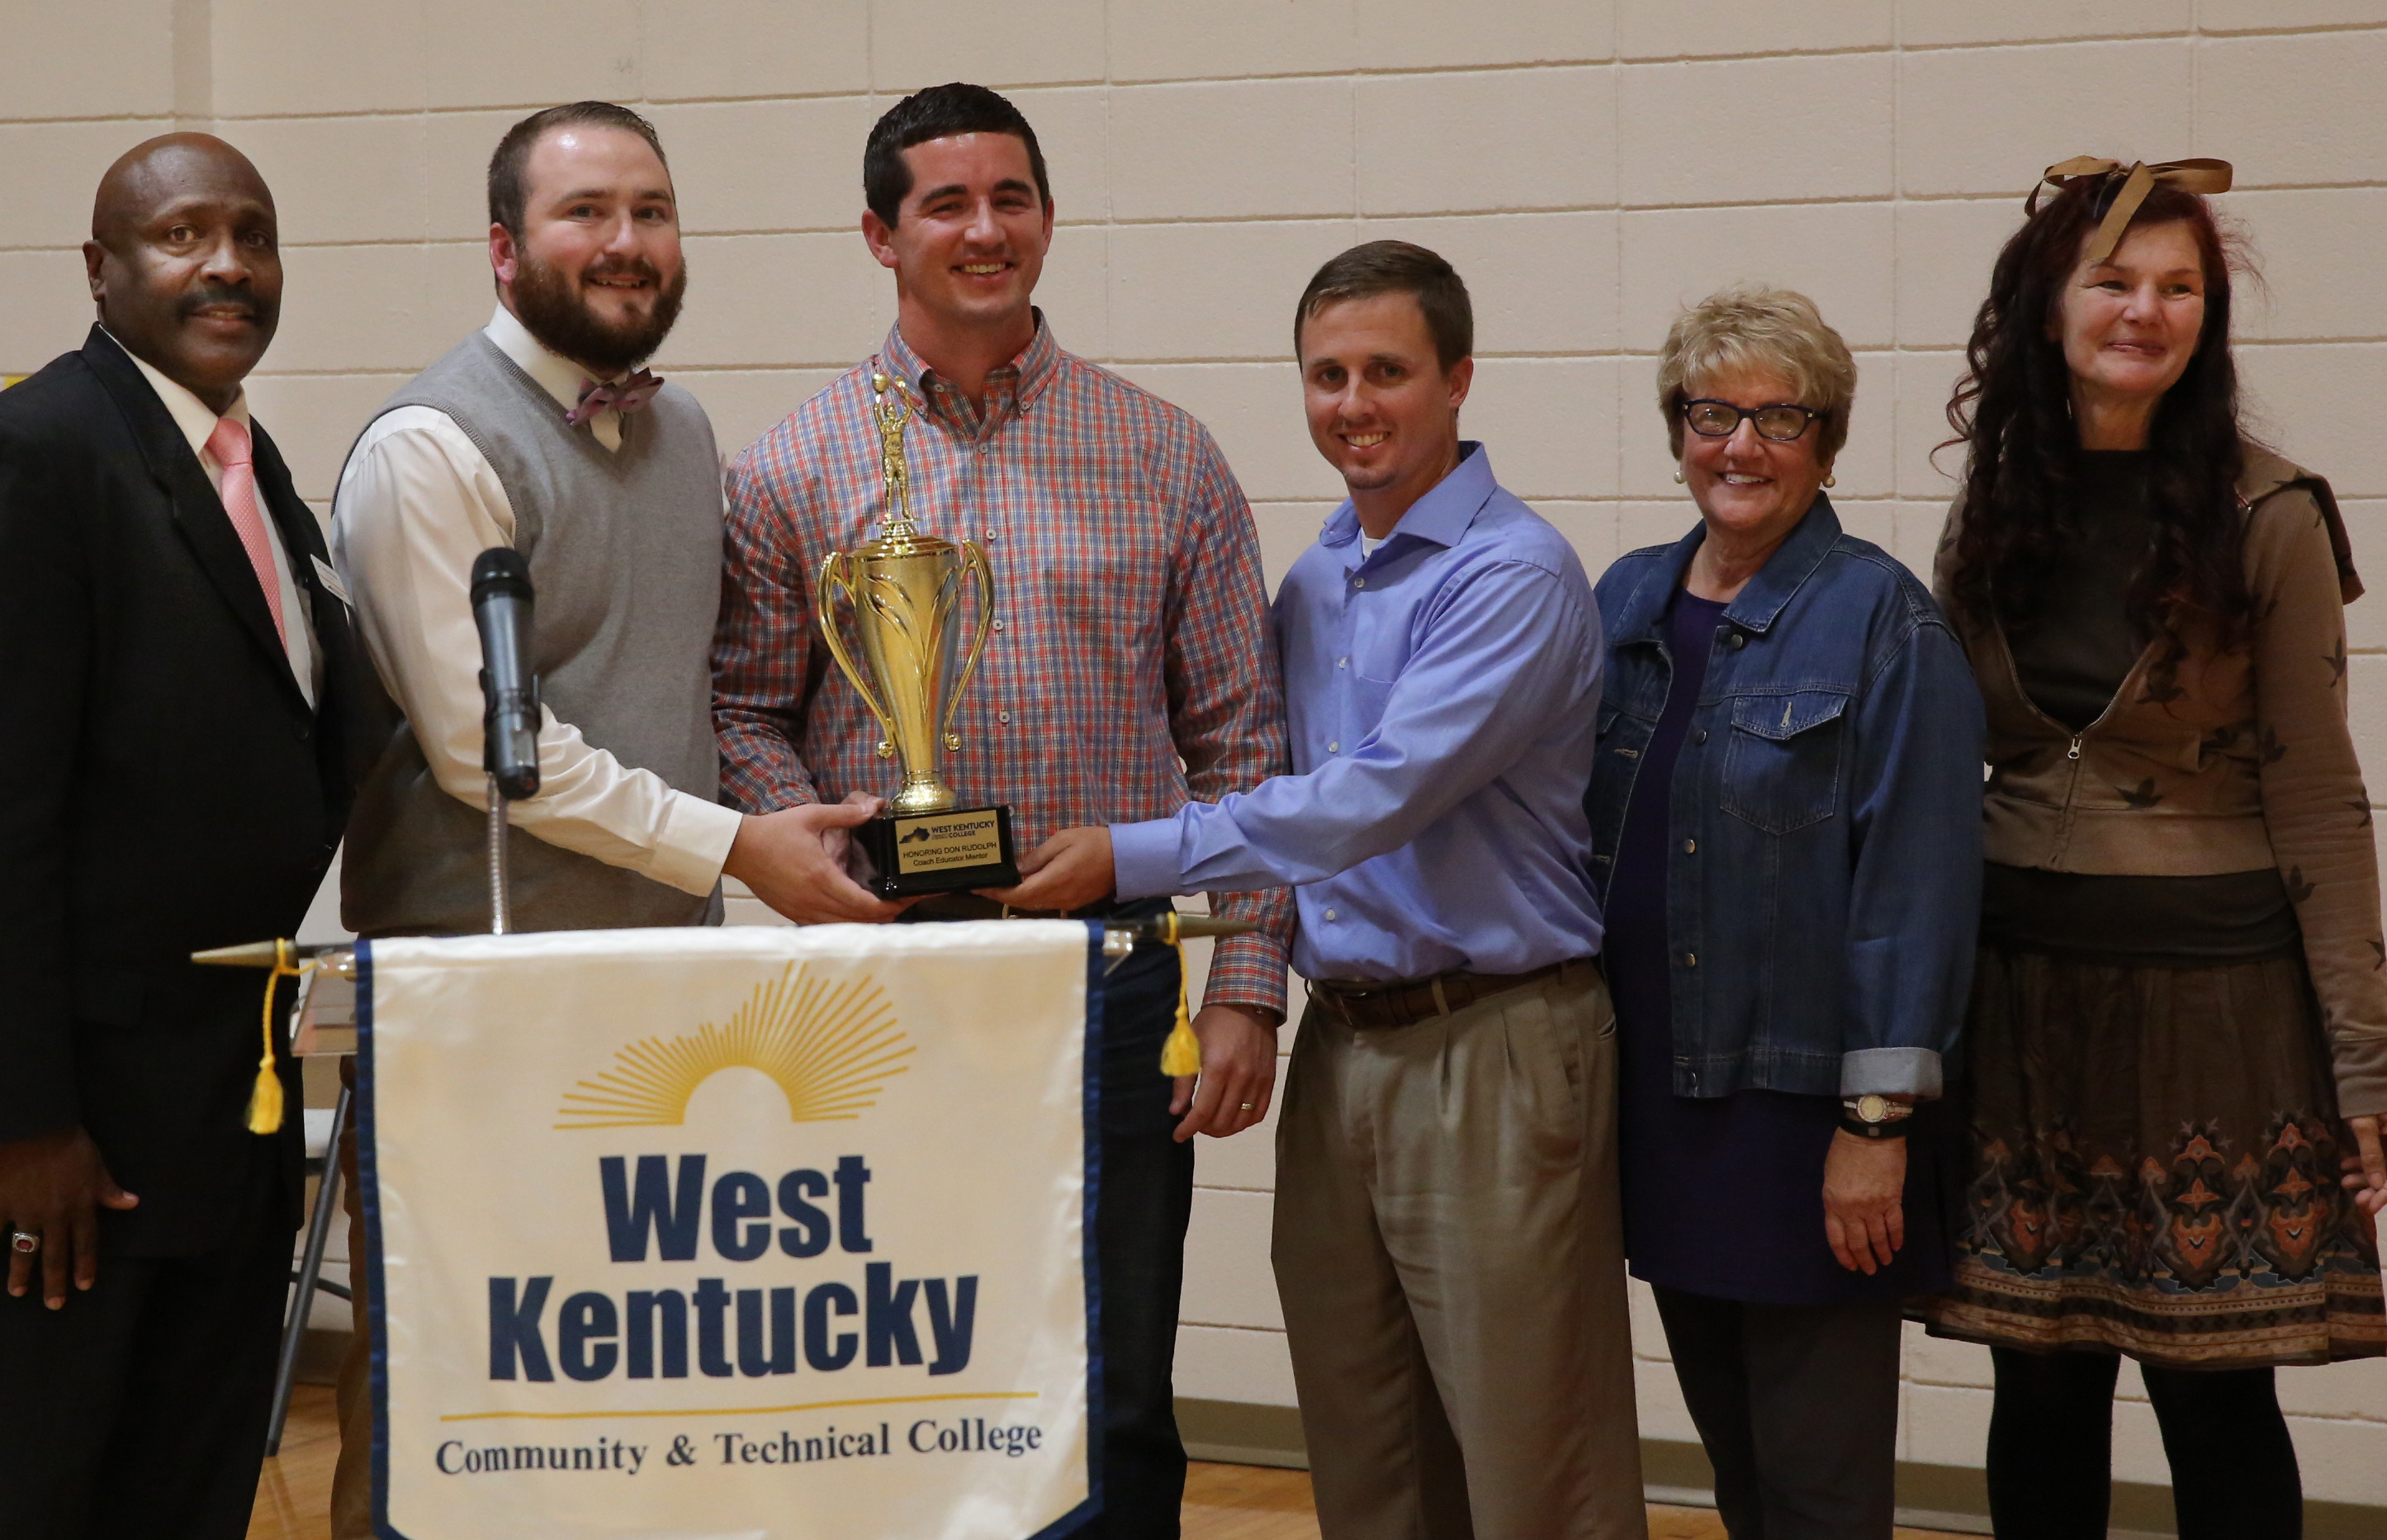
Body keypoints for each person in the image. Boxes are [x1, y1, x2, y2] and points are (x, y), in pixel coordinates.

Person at [711, 83, 1292, 1537]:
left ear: (1045, 216)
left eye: (1011, 198)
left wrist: (1247, 986)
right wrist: (808, 857)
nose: (986, 230)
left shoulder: (1164, 454)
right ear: (879, 235)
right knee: (889, 1363)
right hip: (882, 980)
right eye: (946, 204)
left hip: (1109, 979)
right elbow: (740, 710)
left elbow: (1244, 747)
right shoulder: (791, 468)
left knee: (1116, 1378)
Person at [325, 101, 899, 1538]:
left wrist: (774, 830)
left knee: (632, 1402)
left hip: (662, 1000)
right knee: (448, 1398)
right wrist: (735, 843)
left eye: (649, 209)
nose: (626, 242)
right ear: (506, 249)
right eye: (587, 213)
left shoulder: (687, 428)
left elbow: (686, 697)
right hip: (479, 997)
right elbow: (486, 755)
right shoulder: (427, 444)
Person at [1014, 241, 1649, 1539]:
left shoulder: (1510, 575)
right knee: (1365, 1459)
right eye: (1326, 375)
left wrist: (1125, 854)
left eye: (1387, 372)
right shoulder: (1312, 583)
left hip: (1497, 1041)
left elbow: (1366, 798)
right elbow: (1259, 779)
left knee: (1536, 1468)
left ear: (1458, 379)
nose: (1353, 403)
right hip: (1346, 1049)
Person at [0, 135, 372, 1538]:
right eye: (180, 235)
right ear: (100, 271)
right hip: (48, 1156)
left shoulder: (243, 459)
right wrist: (22, 1121)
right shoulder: (30, 456)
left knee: (178, 1500)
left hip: (208, 1124)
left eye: (252, 235)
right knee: (14, 1503)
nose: (224, 265)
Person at [1920, 156, 2387, 1539]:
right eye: (2114, 281)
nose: (2146, 311)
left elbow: (2320, 795)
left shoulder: (2269, 511)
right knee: (2037, 1384)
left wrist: (2365, 1053)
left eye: (2180, 288)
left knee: (2213, 1392)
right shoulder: (1995, 504)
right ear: (2046, 306)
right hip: (2021, 996)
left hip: (2216, 1003)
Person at [1587, 285, 1987, 1538]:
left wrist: (1874, 1123)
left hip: (1808, 1124)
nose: (1740, 445)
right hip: (1661, 1109)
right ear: (1675, 428)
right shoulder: (1625, 601)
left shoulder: (1884, 621)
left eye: (1779, 417)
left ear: (1825, 441)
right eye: (1712, 412)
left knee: (1818, 1490)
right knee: (1737, 1474)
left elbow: (1915, 897)